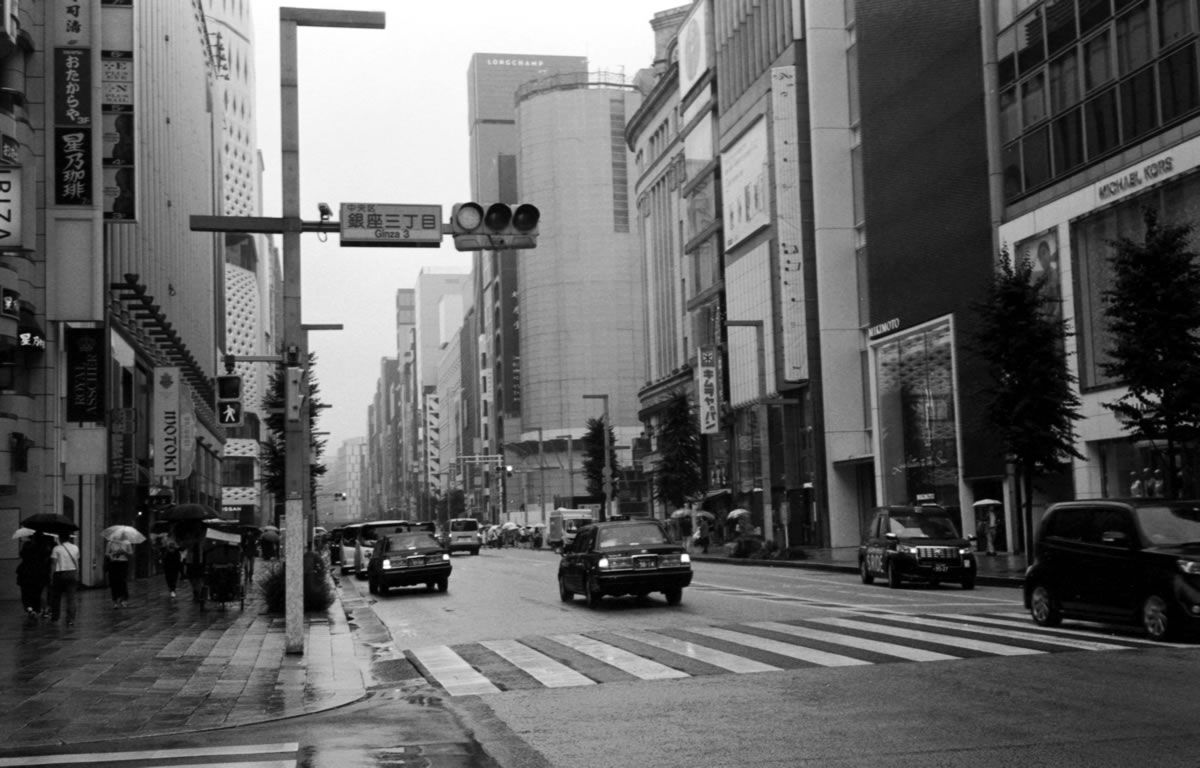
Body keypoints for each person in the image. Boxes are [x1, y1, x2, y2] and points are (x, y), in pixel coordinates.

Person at [48, 532, 81, 626]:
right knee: (71, 598)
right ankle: (70, 619)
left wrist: (51, 576)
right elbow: (77, 562)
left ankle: (55, 617)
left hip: (59, 574)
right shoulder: (75, 547)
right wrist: (77, 574)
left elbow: (53, 564)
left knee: (56, 597)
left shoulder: (56, 548)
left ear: (60, 538)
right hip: (72, 573)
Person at [16, 534, 52, 620]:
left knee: (25, 592)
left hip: (25, 573)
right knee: (37, 592)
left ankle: (29, 608)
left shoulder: (27, 546)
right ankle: (36, 609)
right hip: (38, 573)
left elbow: (22, 555)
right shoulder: (42, 548)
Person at [105, 536, 133, 608]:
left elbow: (131, 554)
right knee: (114, 582)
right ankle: (115, 600)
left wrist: (124, 552)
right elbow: (106, 553)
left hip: (123, 563)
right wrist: (112, 554)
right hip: (114, 563)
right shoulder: (110, 543)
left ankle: (124, 599)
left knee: (122, 581)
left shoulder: (127, 542)